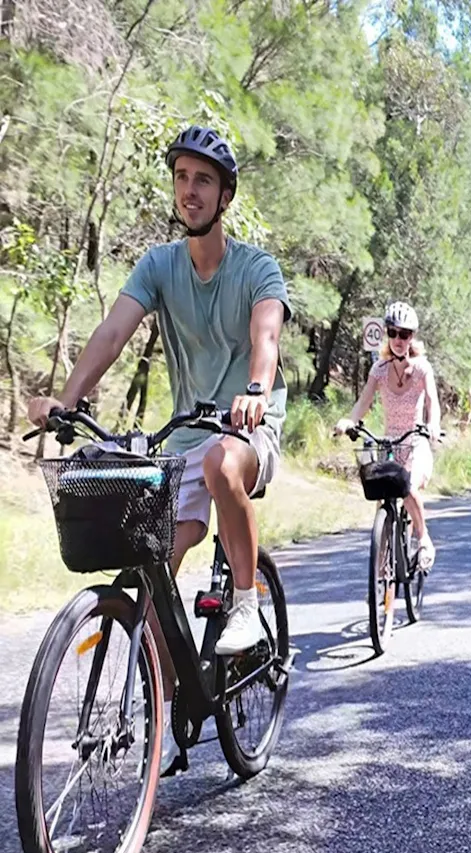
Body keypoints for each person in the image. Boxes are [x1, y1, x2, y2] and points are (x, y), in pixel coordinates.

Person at [28, 123, 291, 775]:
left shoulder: (256, 268)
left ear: (225, 195)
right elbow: (112, 332)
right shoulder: (159, 266)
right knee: (153, 573)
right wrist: (67, 401)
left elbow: (265, 337)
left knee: (222, 460)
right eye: (181, 177)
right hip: (187, 437)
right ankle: (166, 711)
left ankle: (247, 604)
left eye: (203, 180)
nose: (189, 190)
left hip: (248, 430)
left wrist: (255, 391)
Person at [335, 302, 443, 567]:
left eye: (404, 334)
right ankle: (382, 577)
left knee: (408, 486)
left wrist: (433, 425)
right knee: (382, 497)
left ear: (412, 337)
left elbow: (432, 400)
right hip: (389, 443)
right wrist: (349, 421)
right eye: (393, 332)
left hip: (415, 440)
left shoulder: (422, 368)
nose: (398, 339)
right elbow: (364, 401)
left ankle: (424, 539)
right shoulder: (380, 370)